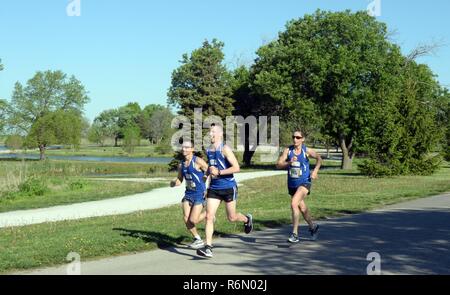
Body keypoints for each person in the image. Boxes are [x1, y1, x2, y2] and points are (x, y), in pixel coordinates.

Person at [196, 124, 253, 258]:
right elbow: (211, 167)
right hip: (214, 188)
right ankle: (208, 247)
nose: (210, 134)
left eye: (213, 132)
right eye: (210, 132)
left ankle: (246, 219)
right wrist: (206, 181)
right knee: (209, 216)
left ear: (220, 134)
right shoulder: (209, 150)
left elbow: (237, 167)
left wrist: (220, 172)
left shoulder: (225, 149)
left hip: (228, 187)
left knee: (231, 217)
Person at [276, 130, 322, 243]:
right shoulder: (288, 150)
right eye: (294, 137)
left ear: (303, 139)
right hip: (292, 184)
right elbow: (278, 164)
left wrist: (315, 171)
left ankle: (295, 234)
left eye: (298, 137)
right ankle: (313, 227)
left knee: (293, 203)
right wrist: (288, 163)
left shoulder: (306, 151)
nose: (295, 139)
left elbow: (319, 158)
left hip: (305, 182)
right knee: (301, 207)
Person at [170, 141, 209, 249]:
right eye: (183, 147)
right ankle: (198, 239)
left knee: (193, 220)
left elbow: (209, 170)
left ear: (192, 149)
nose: (184, 149)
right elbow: (180, 180)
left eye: (187, 147)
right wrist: (173, 183)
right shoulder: (181, 164)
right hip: (188, 194)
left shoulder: (197, 161)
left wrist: (206, 183)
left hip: (199, 193)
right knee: (186, 218)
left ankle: (208, 214)